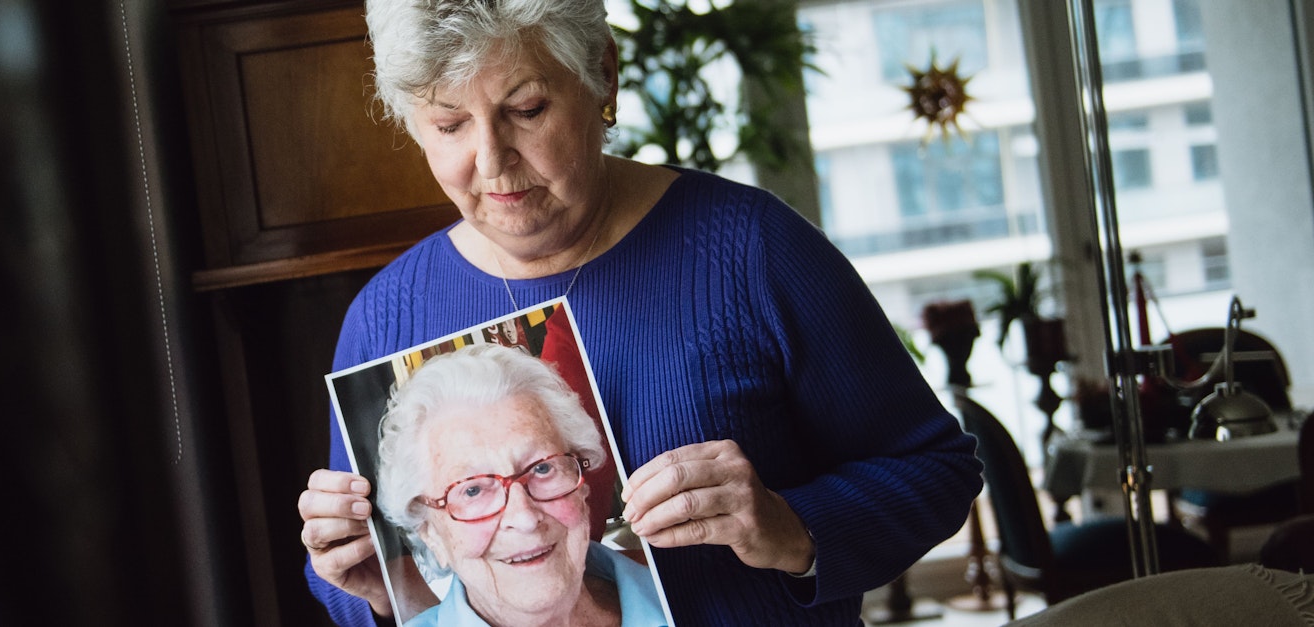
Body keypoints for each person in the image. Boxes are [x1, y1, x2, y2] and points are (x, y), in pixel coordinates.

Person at [295, 0, 984, 623]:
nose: (493, 161)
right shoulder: (385, 317)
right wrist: (367, 586)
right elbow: (379, 594)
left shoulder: (753, 250)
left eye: (527, 110)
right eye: (448, 124)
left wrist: (788, 525)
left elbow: (938, 470)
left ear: (603, 75)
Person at [374, 343, 666, 626]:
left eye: (542, 468)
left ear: (582, 488)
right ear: (430, 534)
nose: (524, 517)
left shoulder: (684, 592)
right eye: (472, 490)